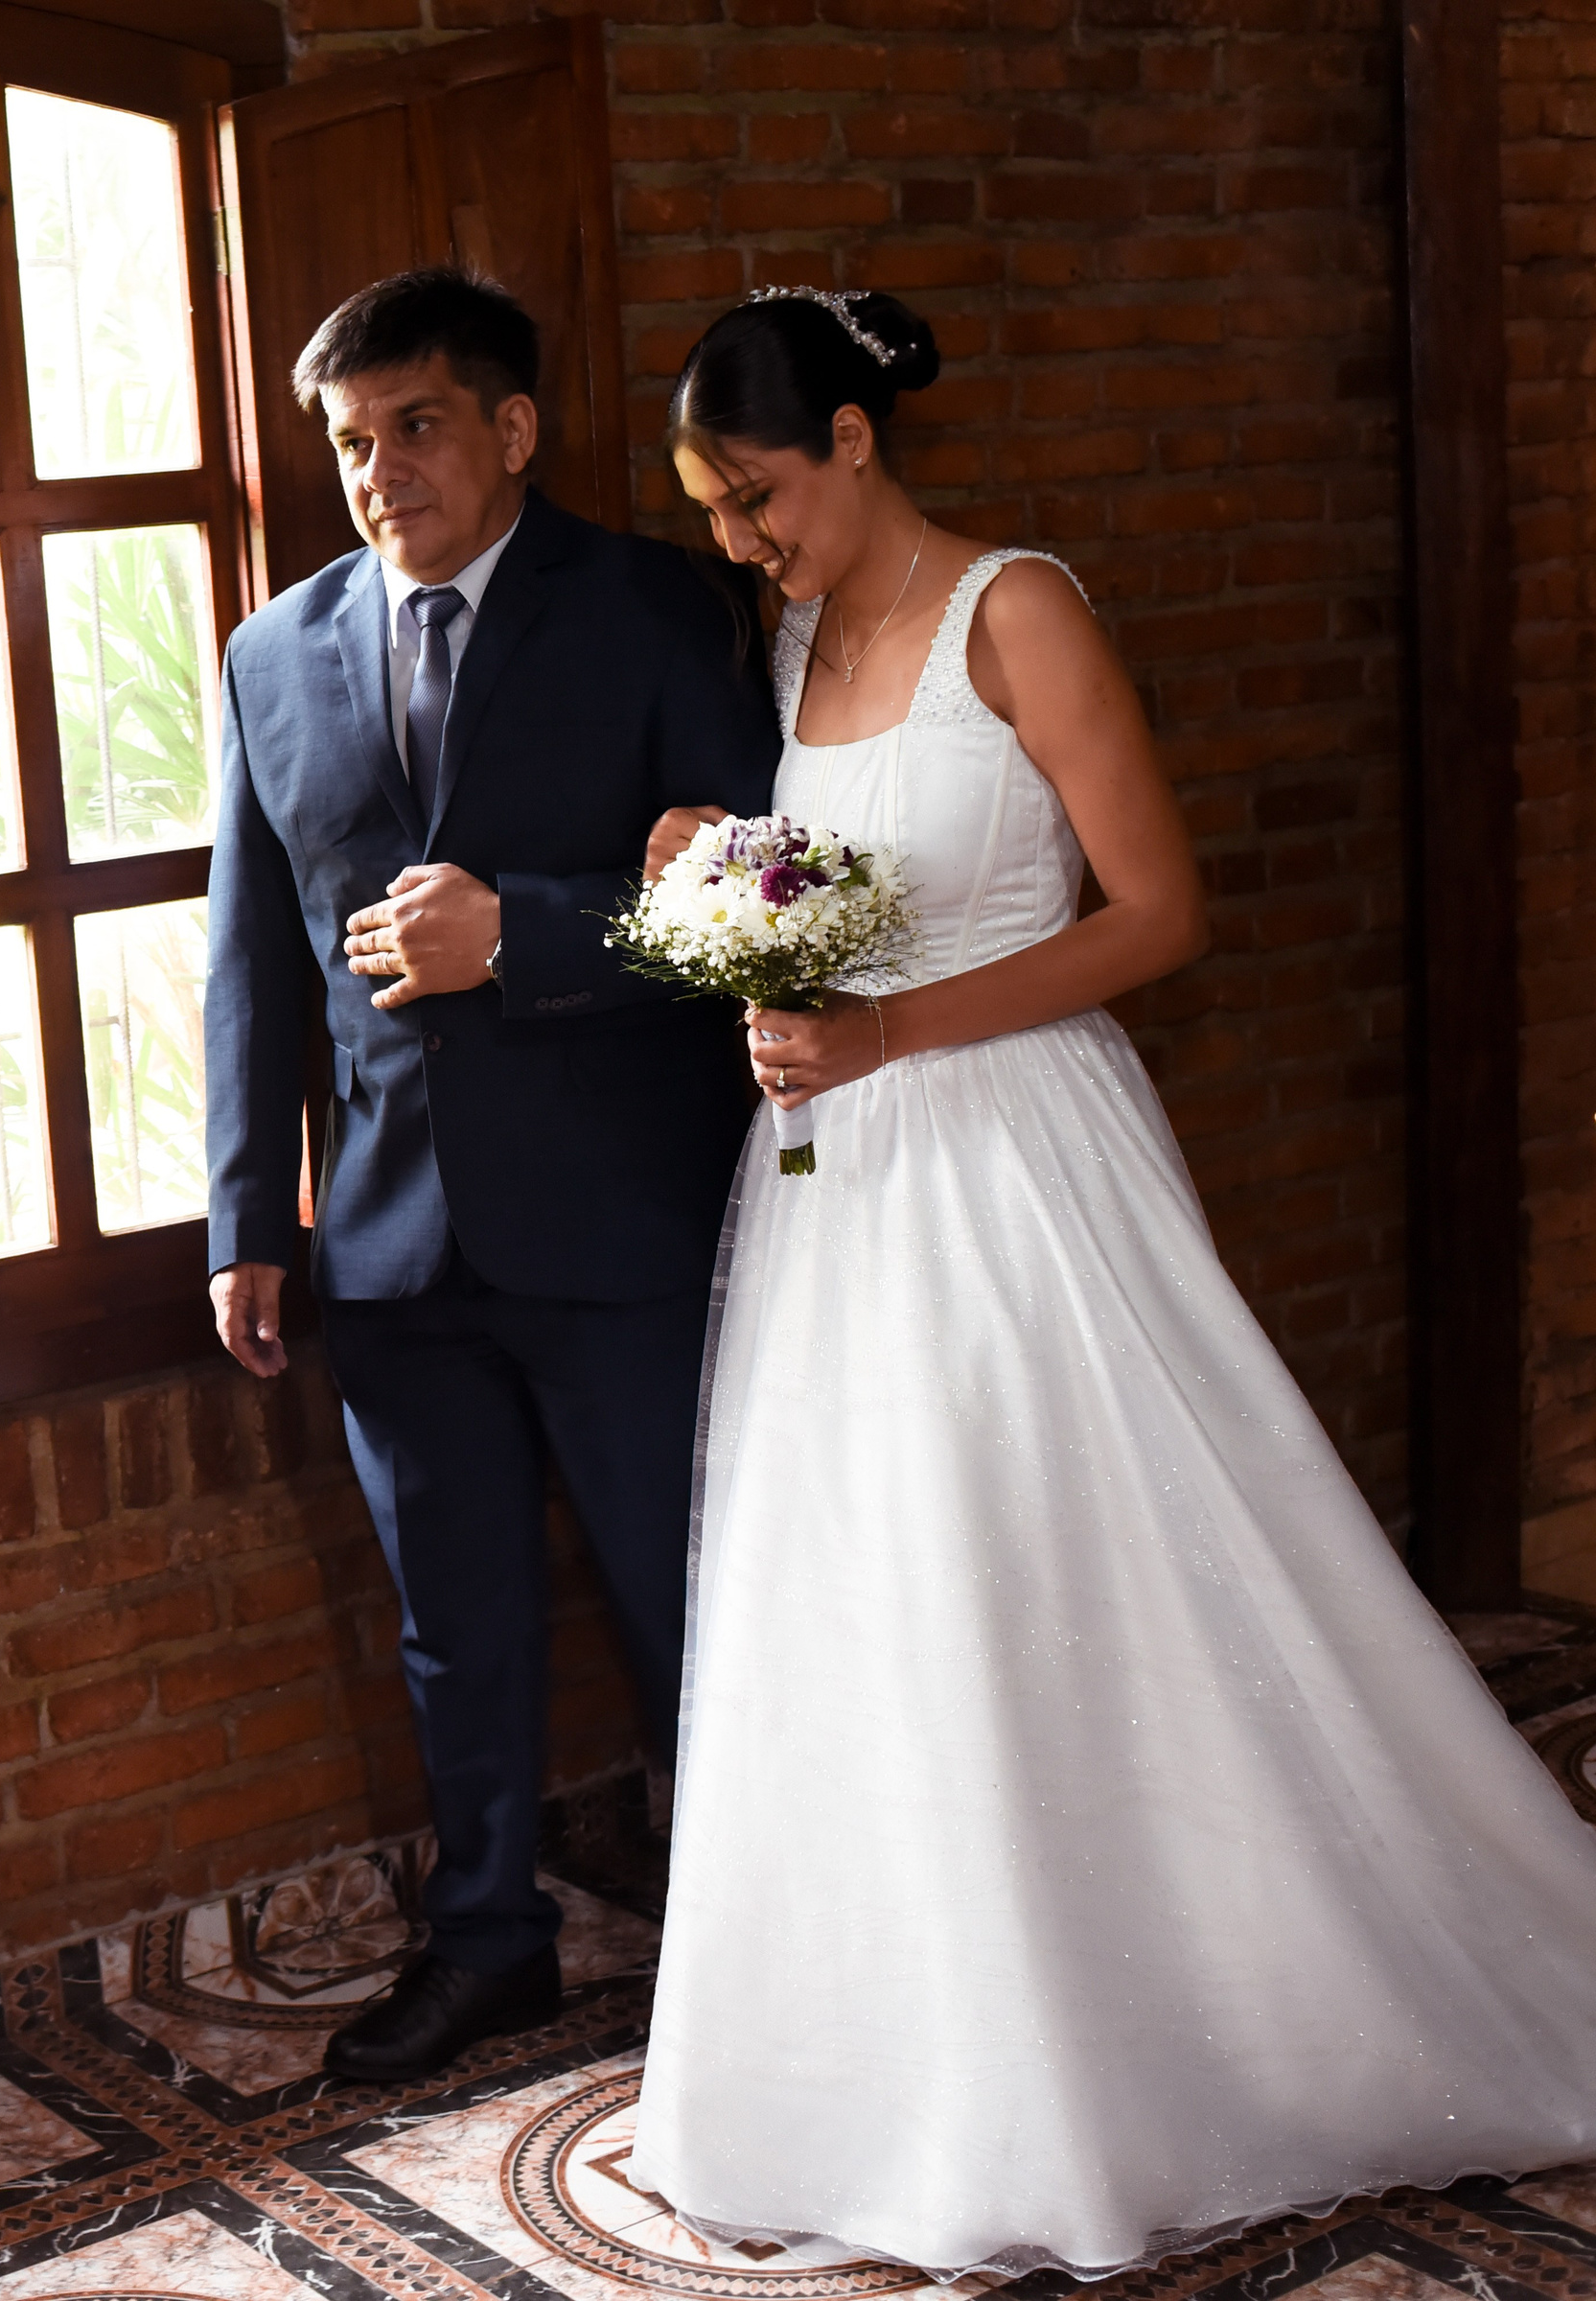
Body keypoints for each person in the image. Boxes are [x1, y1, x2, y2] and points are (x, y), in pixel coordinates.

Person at [626, 285, 1596, 2279]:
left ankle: (1198, 2017)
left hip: (1015, 1156)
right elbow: (830, 893)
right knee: (876, 1585)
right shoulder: (796, 641)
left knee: (1062, 1559)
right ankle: (911, 2061)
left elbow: (1159, 914)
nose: (739, 537)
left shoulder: (1019, 612)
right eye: (714, 508)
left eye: (757, 493)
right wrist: (725, 897)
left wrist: (891, 1034)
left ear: (855, 441)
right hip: (841, 1190)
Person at [202, 268, 778, 2085]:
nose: (382, 471)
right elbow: (252, 959)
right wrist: (248, 1222)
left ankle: (760, 1950)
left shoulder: (658, 608)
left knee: (688, 1602)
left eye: (419, 426)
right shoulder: (270, 654)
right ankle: (487, 1947)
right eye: (351, 442)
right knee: (453, 1629)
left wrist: (522, 934)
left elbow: (759, 899)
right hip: (388, 1245)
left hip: (625, 1222)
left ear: (513, 430)